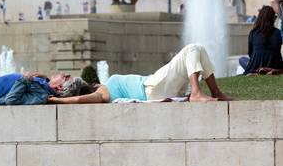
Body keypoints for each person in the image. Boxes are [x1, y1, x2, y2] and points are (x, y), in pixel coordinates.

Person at [47, 44, 236, 104]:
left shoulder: (105, 88)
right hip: (153, 88)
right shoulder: (103, 93)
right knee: (192, 48)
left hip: (158, 87)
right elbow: (79, 101)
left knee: (198, 49)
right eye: (65, 77)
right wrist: (56, 100)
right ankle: (196, 92)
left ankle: (215, 92)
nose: (65, 74)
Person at [242, 6, 283, 75]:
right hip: (275, 65)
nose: (276, 19)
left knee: (242, 60)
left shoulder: (253, 33)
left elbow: (250, 53)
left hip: (256, 65)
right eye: (275, 17)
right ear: (272, 18)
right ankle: (271, 71)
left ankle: (257, 71)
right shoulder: (279, 33)